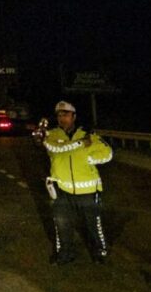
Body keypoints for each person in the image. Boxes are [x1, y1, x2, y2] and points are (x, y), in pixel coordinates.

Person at [42, 101, 114, 264]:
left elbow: (108, 153)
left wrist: (89, 159)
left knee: (93, 224)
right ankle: (64, 254)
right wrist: (80, 144)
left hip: (88, 190)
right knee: (62, 225)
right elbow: (56, 149)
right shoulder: (52, 135)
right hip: (61, 189)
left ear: (74, 116)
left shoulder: (89, 135)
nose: (62, 118)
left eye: (66, 115)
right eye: (59, 115)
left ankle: (100, 253)